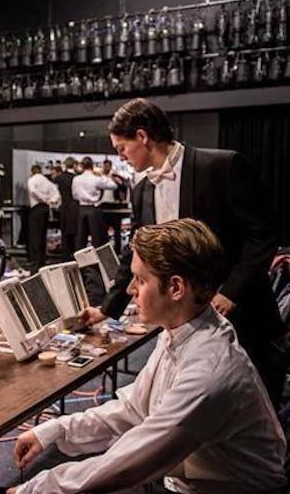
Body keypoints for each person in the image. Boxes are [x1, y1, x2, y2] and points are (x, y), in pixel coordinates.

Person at [1, 219, 286, 494]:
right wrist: (54, 429)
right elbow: (134, 410)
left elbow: (132, 459)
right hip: (197, 490)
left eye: (140, 279)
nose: (130, 290)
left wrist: (40, 486)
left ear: (176, 288)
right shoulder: (184, 330)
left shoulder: (210, 371)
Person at [83, 97, 286, 407]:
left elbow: (262, 235)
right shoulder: (142, 191)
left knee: (256, 416)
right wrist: (107, 308)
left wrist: (230, 293)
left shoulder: (221, 165)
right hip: (183, 322)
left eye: (121, 147)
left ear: (142, 136)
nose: (119, 155)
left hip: (242, 316)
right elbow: (135, 254)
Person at [72, 156, 116, 249]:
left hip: (81, 208)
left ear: (82, 166)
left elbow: (74, 195)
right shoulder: (96, 179)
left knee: (81, 238)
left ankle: (81, 261)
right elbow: (113, 185)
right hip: (94, 209)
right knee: (97, 239)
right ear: (92, 166)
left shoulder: (76, 179)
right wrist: (101, 174)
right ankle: (98, 261)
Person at [27, 164, 60, 274]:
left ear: (32, 171)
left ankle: (35, 262)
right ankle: (42, 260)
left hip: (37, 207)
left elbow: (32, 191)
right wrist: (51, 201)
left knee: (35, 236)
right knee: (42, 236)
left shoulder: (32, 180)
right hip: (46, 209)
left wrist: (43, 199)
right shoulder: (47, 181)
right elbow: (56, 194)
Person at [55, 157, 79, 262]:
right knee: (75, 235)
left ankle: (65, 259)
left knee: (64, 234)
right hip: (75, 208)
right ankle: (75, 258)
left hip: (63, 208)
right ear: (74, 165)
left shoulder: (58, 178)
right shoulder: (76, 178)